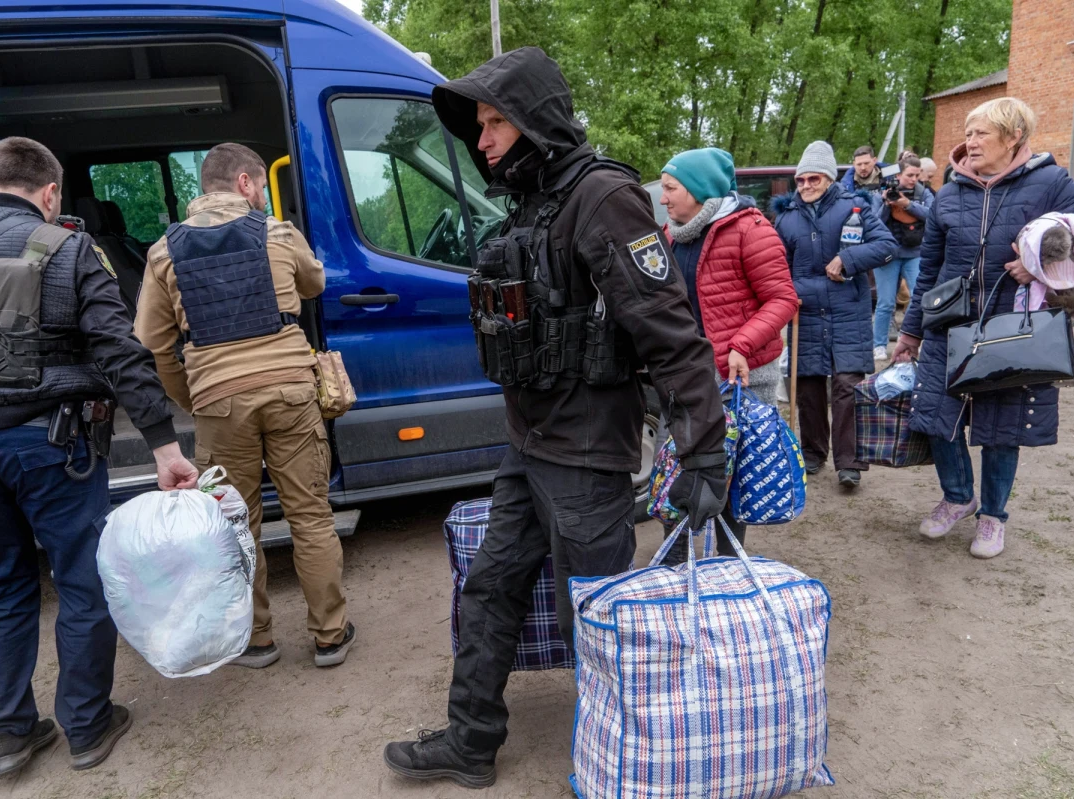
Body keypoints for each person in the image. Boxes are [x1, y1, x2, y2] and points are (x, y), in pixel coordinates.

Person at [382, 46, 727, 789]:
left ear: (534, 121)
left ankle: (629, 766)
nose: (482, 141)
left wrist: (704, 450)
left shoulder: (602, 198)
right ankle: (471, 741)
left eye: (495, 122)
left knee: (595, 621)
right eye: (479, 125)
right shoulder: (534, 201)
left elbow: (670, 331)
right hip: (529, 445)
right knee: (489, 588)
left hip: (587, 456)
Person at [0, 136, 198, 776]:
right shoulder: (71, 249)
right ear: (50, 193)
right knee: (82, 579)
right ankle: (87, 724)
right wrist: (164, 444)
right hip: (55, 446)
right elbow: (119, 349)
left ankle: (9, 734)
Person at [134, 143, 352, 668]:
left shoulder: (163, 252)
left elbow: (153, 343)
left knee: (235, 525)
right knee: (310, 516)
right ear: (247, 183)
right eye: (259, 188)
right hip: (292, 392)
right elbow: (315, 283)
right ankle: (330, 635)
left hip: (217, 401)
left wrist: (194, 398)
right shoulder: (278, 233)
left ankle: (257, 640)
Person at [892, 97, 1074, 558]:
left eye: (981, 133)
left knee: (1002, 426)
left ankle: (993, 516)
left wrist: (1038, 266)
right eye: (968, 133)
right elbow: (929, 268)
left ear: (1014, 136)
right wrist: (911, 332)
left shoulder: (1052, 183)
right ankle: (958, 496)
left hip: (1012, 326)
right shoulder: (950, 191)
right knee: (937, 416)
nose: (970, 142)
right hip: (948, 323)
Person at [657, 146, 798, 558]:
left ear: (699, 189)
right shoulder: (670, 233)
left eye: (670, 188)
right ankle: (675, 561)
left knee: (731, 473)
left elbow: (783, 299)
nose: (663, 198)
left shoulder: (750, 229)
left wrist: (742, 344)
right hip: (685, 370)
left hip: (740, 374)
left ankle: (729, 560)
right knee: (676, 463)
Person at [773, 140, 897, 489]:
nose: (806, 186)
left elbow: (887, 245)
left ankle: (849, 463)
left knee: (847, 386)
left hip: (847, 311)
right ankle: (813, 453)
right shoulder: (786, 218)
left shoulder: (854, 207)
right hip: (806, 313)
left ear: (828, 179)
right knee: (809, 387)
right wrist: (785, 294)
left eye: (813, 178)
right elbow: (777, 266)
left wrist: (848, 259)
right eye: (800, 180)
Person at [874, 156, 934, 361]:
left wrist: (907, 204)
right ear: (898, 175)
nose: (914, 179)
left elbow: (932, 215)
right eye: (909, 175)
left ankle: (907, 338)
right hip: (887, 254)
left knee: (919, 298)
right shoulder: (883, 191)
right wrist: (886, 203)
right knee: (885, 302)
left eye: (917, 175)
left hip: (914, 253)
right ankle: (879, 345)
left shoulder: (923, 193)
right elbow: (875, 222)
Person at [840, 145, 885, 211]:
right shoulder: (844, 186)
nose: (863, 168)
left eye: (866, 163)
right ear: (854, 164)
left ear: (874, 160)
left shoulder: (889, 177)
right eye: (859, 164)